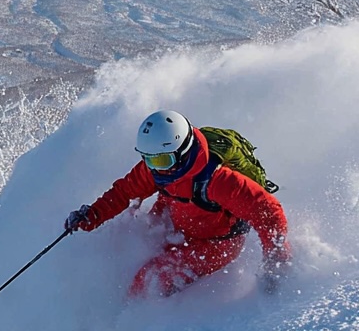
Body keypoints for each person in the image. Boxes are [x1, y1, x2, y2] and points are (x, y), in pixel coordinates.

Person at [65, 110, 290, 298]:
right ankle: (114, 310)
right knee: (128, 253)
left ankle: (134, 328)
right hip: (177, 216)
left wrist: (275, 260)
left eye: (162, 161)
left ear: (182, 151)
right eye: (147, 158)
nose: (155, 168)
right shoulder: (157, 169)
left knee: (150, 278)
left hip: (215, 243)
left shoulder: (216, 181)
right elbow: (124, 192)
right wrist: (92, 215)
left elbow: (268, 212)